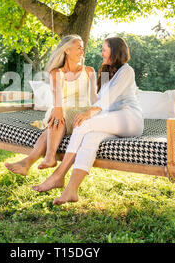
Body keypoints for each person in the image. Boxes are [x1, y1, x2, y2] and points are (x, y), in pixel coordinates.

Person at [32, 36, 144, 205]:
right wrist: (89, 109)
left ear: (114, 51)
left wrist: (88, 113)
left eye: (104, 50)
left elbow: (108, 99)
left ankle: (58, 175)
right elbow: (100, 99)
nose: (101, 54)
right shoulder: (106, 72)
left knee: (82, 123)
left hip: (129, 119)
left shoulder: (126, 70)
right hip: (112, 121)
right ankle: (71, 190)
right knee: (89, 138)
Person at [5, 35, 98, 175]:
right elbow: (57, 98)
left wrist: (97, 112)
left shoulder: (89, 71)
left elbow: (95, 98)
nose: (82, 52)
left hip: (82, 113)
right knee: (58, 114)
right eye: (79, 48)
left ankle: (38, 159)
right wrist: (57, 110)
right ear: (67, 50)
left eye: (82, 48)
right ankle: (40, 160)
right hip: (60, 111)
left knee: (56, 119)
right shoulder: (56, 73)